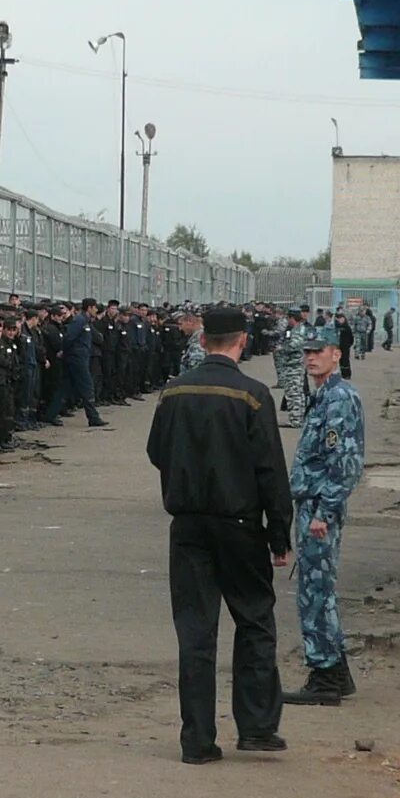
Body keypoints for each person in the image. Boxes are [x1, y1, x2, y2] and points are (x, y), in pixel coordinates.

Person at [142, 302, 291, 764]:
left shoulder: (173, 391)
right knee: (254, 621)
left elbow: (155, 451)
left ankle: (197, 741)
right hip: (240, 526)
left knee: (196, 632)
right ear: (242, 341)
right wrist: (279, 534)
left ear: (202, 340)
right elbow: (270, 470)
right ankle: (257, 727)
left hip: (187, 526)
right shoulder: (252, 394)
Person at [282, 324, 367, 706]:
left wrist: (324, 512)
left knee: (315, 592)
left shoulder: (339, 398)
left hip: (320, 508)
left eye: (319, 350)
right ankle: (336, 671)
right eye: (307, 352)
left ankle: (325, 674)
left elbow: (346, 463)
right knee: (317, 589)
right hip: (312, 504)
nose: (311, 357)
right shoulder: (323, 395)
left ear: (337, 353)